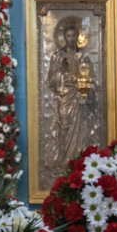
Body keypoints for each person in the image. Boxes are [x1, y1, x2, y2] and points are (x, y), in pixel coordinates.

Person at [47, 24, 101, 177]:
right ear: (64, 37)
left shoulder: (84, 58)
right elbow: (51, 81)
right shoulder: (57, 56)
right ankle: (64, 161)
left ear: (78, 37)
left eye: (73, 36)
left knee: (80, 129)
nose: (71, 39)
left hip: (79, 98)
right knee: (64, 127)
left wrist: (85, 86)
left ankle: (78, 160)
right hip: (64, 97)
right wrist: (61, 72)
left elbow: (92, 80)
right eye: (68, 36)